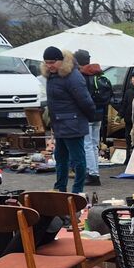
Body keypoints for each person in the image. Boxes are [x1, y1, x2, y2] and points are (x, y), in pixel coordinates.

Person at [42, 46, 98, 194]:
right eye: (46, 62)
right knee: (60, 158)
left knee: (78, 159)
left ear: (60, 61)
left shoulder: (72, 76)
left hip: (74, 123)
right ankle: (60, 188)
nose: (49, 65)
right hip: (59, 124)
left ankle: (77, 190)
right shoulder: (51, 76)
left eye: (52, 62)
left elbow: (84, 100)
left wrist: (91, 117)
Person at [73, 49, 112, 186]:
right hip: (99, 114)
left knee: (87, 145)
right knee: (94, 145)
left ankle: (92, 174)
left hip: (87, 115)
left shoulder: (82, 76)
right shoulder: (98, 73)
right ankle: (95, 172)